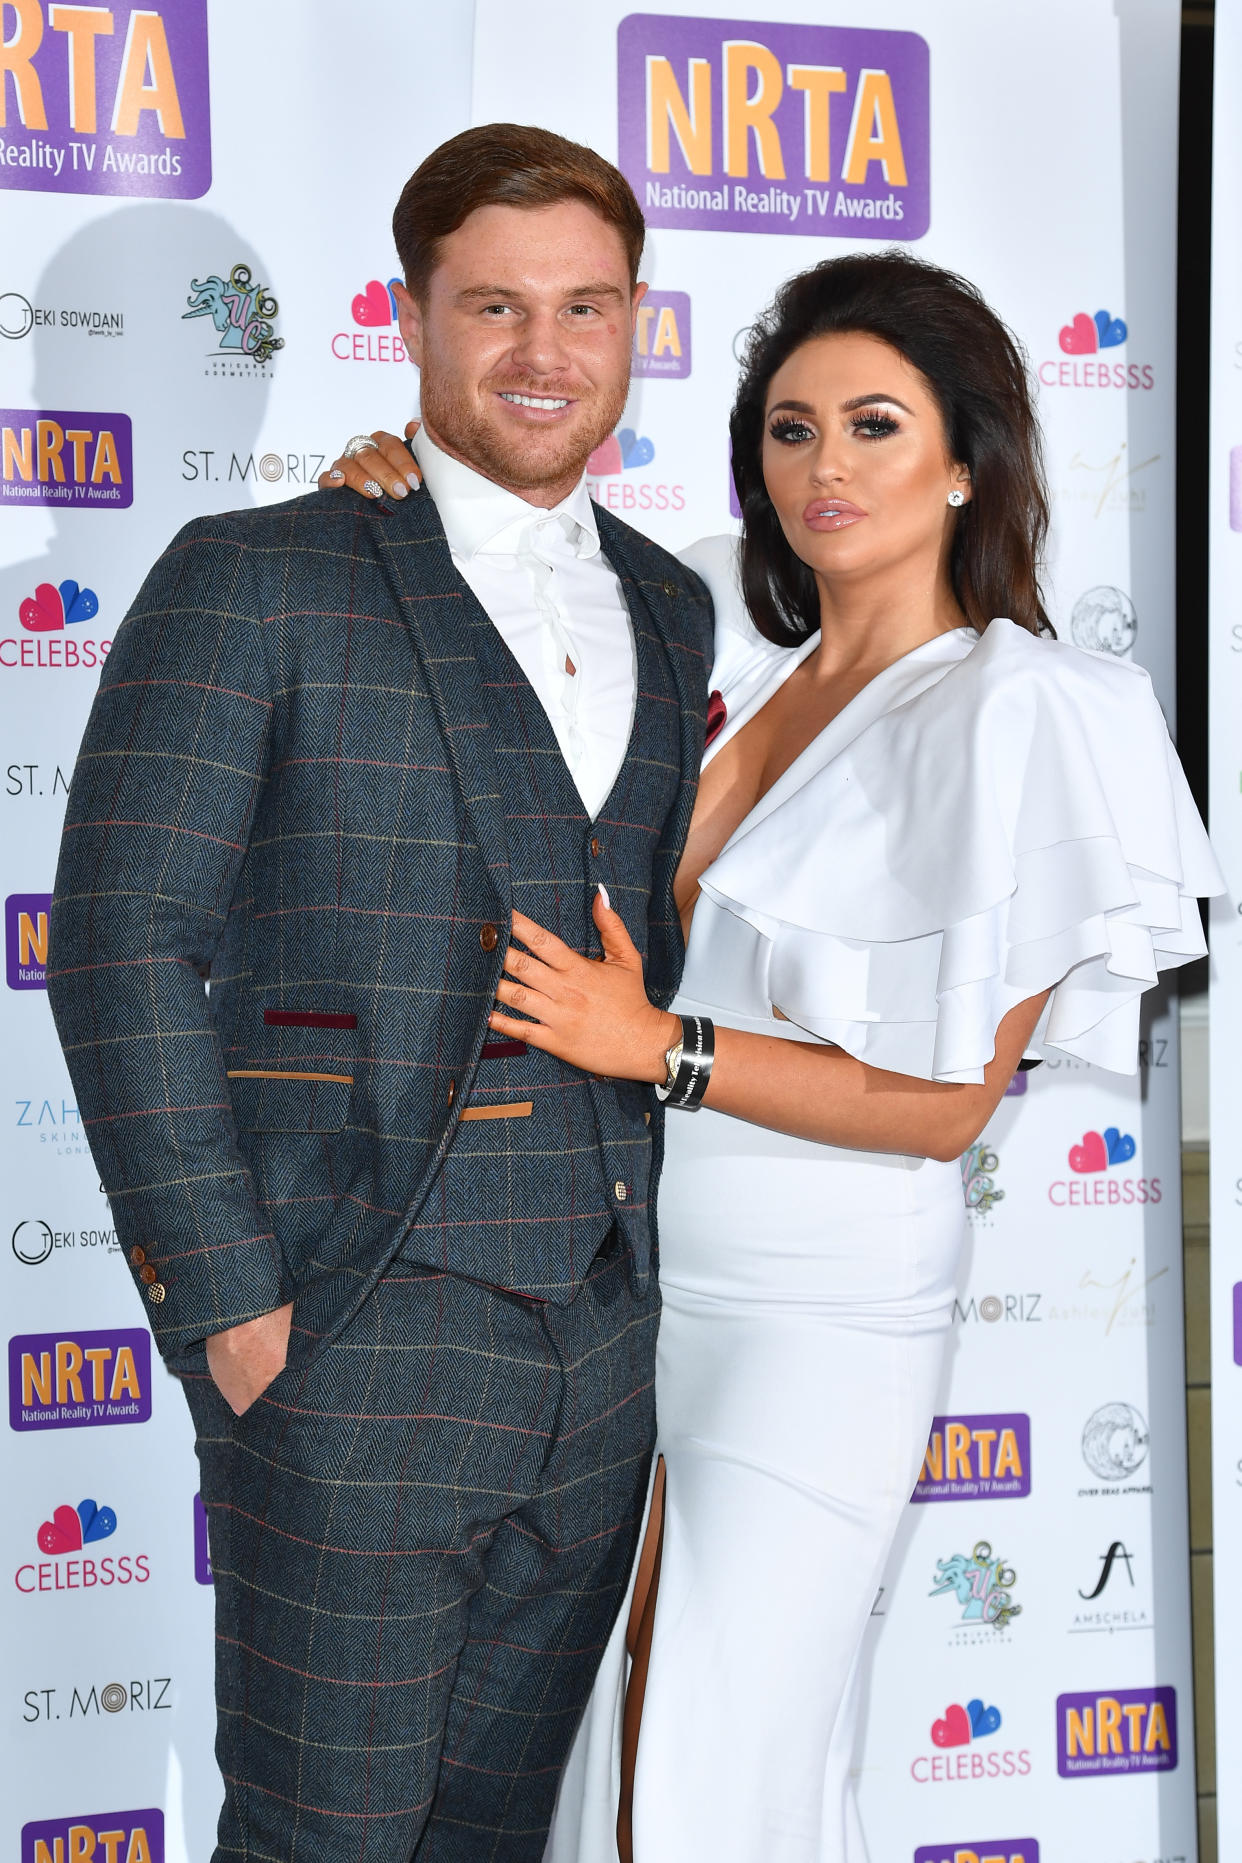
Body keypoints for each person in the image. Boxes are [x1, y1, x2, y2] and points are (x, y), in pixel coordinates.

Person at [323, 248, 1220, 1861]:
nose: (825, 467)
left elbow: (950, 1109)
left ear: (965, 459)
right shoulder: (735, 678)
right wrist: (393, 491)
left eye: (874, 425)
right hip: (638, 1300)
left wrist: (659, 1048)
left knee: (706, 1769)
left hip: (822, 1318)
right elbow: (498, 603)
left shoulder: (1033, 706)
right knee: (637, 1754)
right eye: (790, 430)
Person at [46, 124, 711, 1863]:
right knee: (318, 1839)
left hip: (600, 1346)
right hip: (343, 1328)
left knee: (494, 1837)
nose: (544, 355)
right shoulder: (259, 573)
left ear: (639, 318)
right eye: (493, 306)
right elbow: (118, 939)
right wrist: (233, 1308)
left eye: (585, 307)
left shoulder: (673, 602)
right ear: (410, 318)